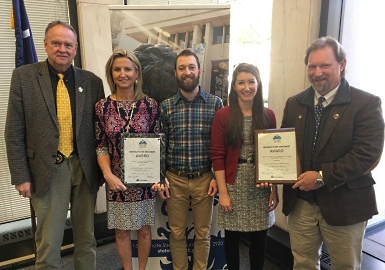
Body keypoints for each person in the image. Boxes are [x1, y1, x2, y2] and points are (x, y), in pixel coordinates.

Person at [4, 20, 105, 269]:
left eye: (68, 44)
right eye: (57, 43)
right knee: (49, 241)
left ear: (76, 48)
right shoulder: (24, 77)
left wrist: (105, 171)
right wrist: (21, 176)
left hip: (85, 167)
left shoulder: (92, 82)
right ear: (46, 45)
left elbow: (101, 130)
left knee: (86, 238)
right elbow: (14, 131)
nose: (62, 49)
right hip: (46, 170)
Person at [281, 36, 384, 270]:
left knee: (345, 266)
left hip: (345, 203)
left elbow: (366, 155)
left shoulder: (366, 103)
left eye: (325, 65)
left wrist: (320, 177)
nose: (317, 72)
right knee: (303, 263)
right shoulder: (294, 103)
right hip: (301, 204)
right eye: (312, 66)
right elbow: (286, 148)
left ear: (342, 64)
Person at [95, 49, 166, 270]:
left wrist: (158, 176)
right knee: (121, 231)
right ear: (111, 73)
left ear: (137, 73)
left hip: (145, 181)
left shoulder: (151, 106)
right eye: (117, 69)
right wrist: (108, 176)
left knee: (144, 229)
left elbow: (158, 145)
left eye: (128, 69)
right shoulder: (102, 107)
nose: (122, 74)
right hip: (116, 181)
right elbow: (100, 145)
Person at [159, 49, 223, 270]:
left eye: (191, 67)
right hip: (174, 180)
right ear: (175, 73)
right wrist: (161, 177)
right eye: (182, 68)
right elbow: (161, 146)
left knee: (203, 233)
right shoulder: (166, 107)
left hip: (205, 179)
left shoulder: (215, 104)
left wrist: (216, 176)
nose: (187, 72)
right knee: (176, 233)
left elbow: (219, 146)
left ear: (199, 70)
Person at [211, 63, 279, 270]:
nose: (246, 87)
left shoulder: (268, 115)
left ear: (258, 84)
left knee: (260, 238)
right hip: (233, 182)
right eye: (241, 82)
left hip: (261, 184)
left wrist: (274, 190)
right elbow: (217, 155)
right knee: (232, 237)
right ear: (234, 86)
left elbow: (274, 155)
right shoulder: (223, 115)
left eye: (251, 81)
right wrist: (222, 192)